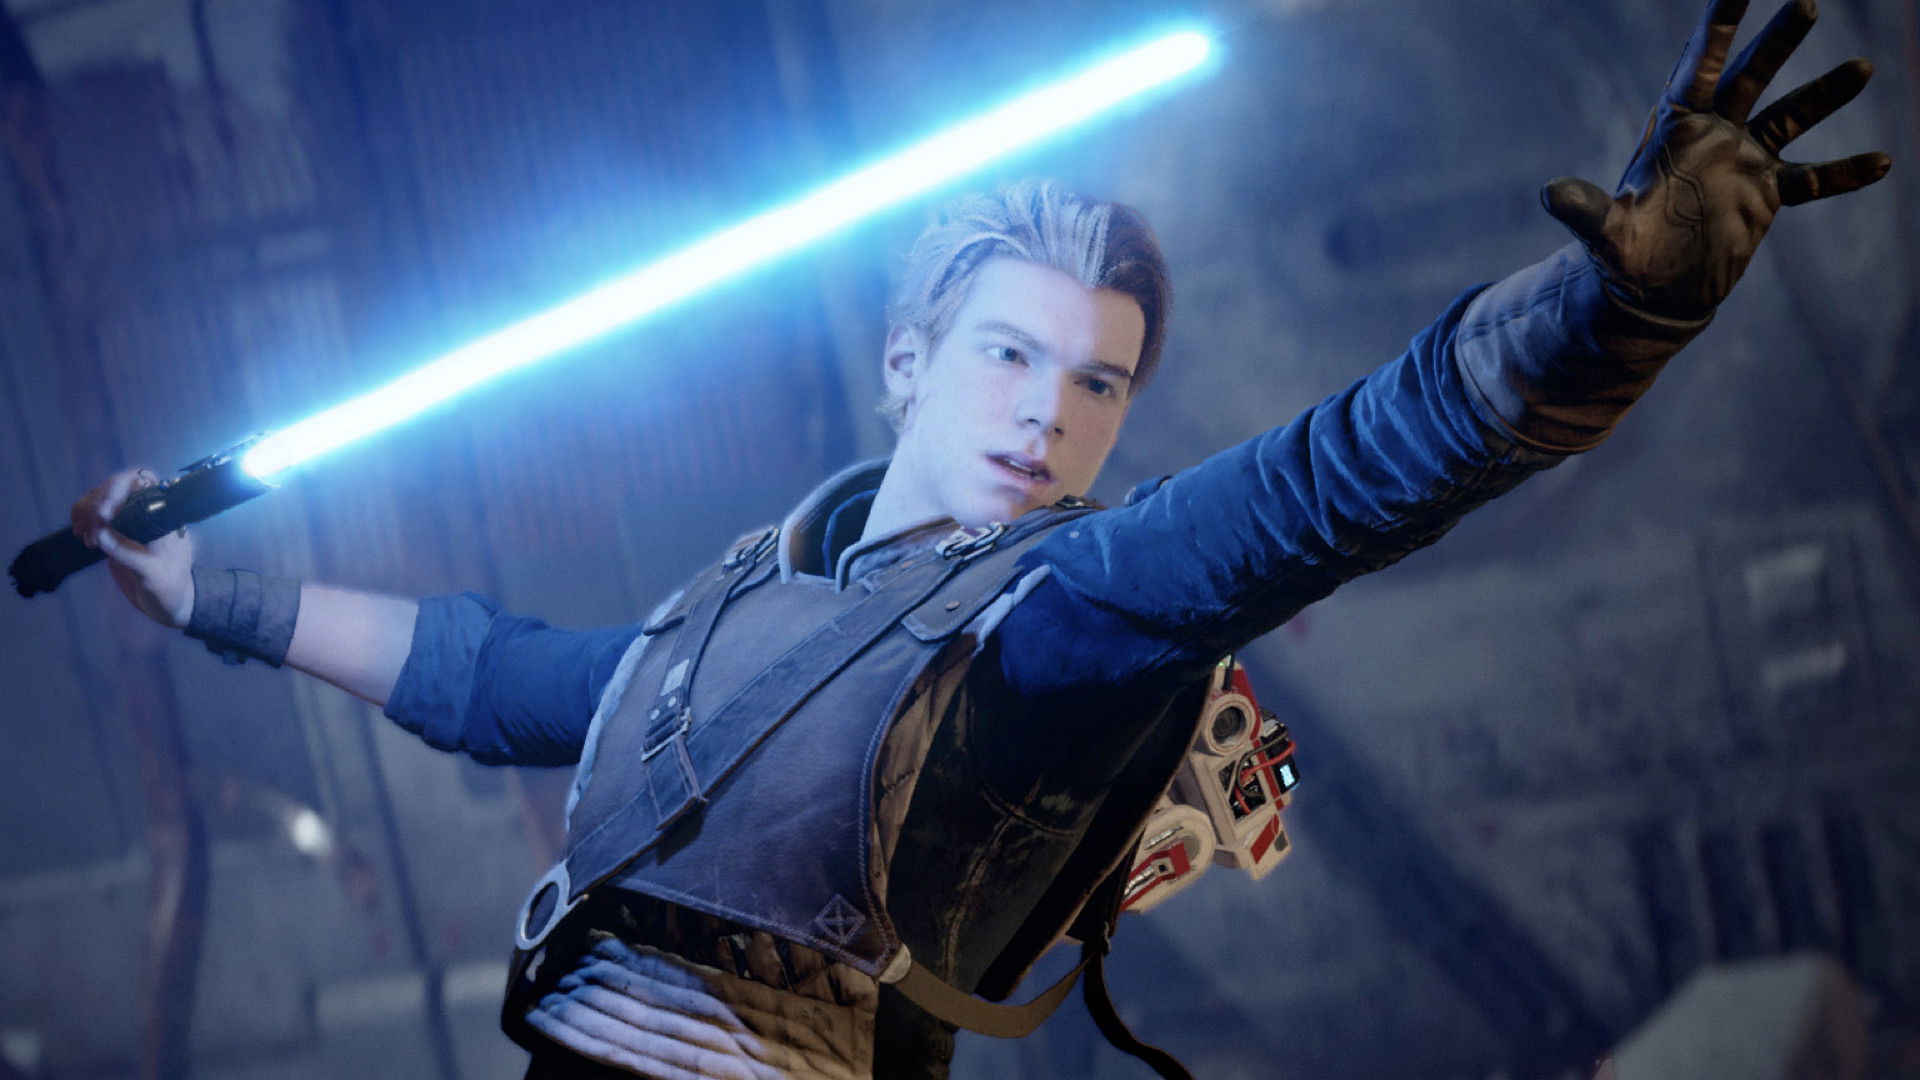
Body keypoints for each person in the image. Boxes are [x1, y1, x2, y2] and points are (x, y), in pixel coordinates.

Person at [72, 2, 1888, 1076]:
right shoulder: (739, 617)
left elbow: (1338, 476)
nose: (1050, 411)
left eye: (1099, 383)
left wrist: (1610, 318)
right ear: (906, 364)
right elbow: (493, 676)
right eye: (1011, 355)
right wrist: (209, 589)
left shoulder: (1066, 607)